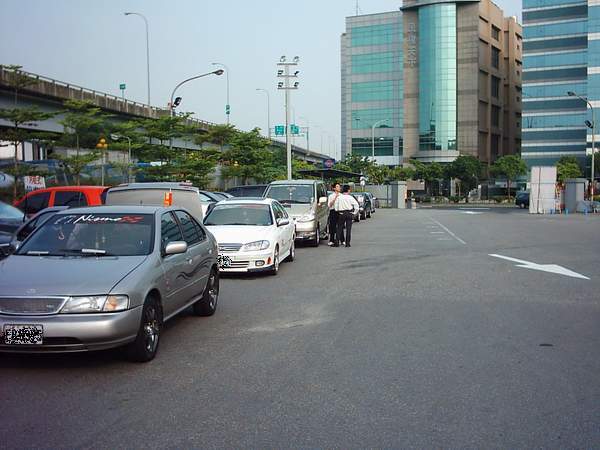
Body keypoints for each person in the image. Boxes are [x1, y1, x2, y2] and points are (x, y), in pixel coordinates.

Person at [327, 182, 341, 247]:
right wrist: (335, 197)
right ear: (334, 188)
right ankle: (331, 240)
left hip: (340, 211)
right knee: (332, 226)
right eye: (337, 186)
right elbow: (329, 205)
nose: (339, 188)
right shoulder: (331, 196)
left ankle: (342, 240)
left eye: (339, 186)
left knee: (340, 226)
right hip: (333, 211)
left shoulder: (341, 196)